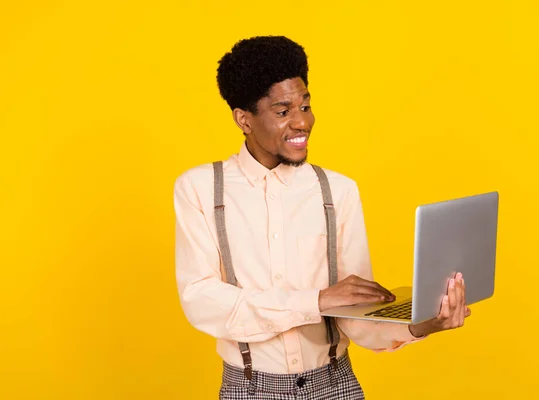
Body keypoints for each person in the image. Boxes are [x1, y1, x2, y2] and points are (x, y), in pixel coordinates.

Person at [174, 35, 470, 399]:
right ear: (243, 119)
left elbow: (354, 316)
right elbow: (203, 301)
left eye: (306, 105)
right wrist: (315, 300)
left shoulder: (338, 190)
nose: (302, 122)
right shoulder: (201, 188)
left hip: (336, 386)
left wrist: (425, 324)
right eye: (283, 111)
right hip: (249, 390)